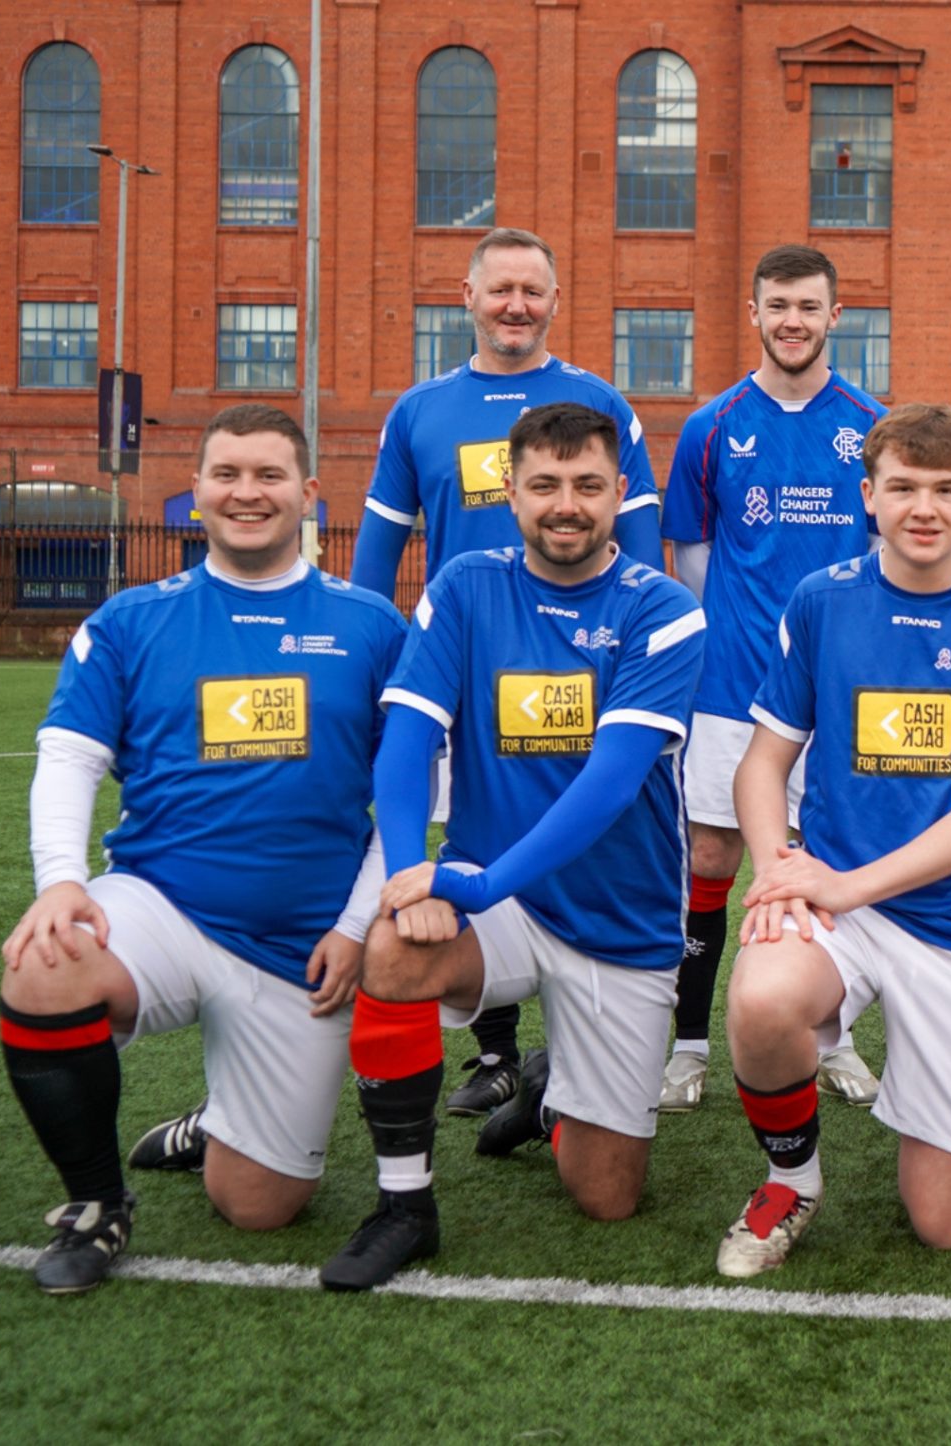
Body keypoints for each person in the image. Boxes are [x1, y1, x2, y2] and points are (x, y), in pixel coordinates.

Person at [0, 405, 407, 1293]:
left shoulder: (373, 625)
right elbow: (69, 756)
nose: (246, 493)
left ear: (307, 495)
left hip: (305, 950)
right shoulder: (132, 619)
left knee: (260, 1206)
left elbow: (417, 802)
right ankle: (97, 1206)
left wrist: (352, 922)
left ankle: (219, 1123)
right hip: (164, 908)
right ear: (196, 493)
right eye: (227, 475)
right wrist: (62, 883)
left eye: (267, 476)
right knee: (45, 965)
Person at [322, 403, 705, 1290]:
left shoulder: (665, 610)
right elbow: (408, 736)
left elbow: (608, 787)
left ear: (618, 494)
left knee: (606, 1197)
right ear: (510, 489)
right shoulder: (464, 585)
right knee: (395, 952)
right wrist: (416, 872)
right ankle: (404, 1204)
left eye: (586, 486)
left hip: (618, 916)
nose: (564, 504)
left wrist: (474, 882)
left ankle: (549, 1099)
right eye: (544, 485)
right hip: (496, 902)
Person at [715, 405, 951, 1274]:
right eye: (903, 487)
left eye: (947, 489)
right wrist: (779, 865)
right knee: (760, 996)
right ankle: (792, 1178)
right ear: (869, 496)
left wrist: (843, 885)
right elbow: (762, 766)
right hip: (840, 906)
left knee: (946, 1225)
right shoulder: (823, 599)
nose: (924, 507)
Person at [345, 227, 660, 1121]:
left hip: (585, 655)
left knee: (577, 814)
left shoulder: (596, 400)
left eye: (533, 290)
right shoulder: (419, 412)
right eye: (500, 290)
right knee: (478, 822)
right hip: (466, 655)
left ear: (556, 301)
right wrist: (377, 661)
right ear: (469, 297)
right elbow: (377, 558)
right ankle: (495, 1055)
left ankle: (574, 1047)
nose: (515, 305)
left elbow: (635, 543)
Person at [663, 244, 887, 1112]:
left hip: (836, 696)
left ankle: (833, 1037)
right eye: (776, 306)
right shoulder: (711, 426)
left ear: (837, 316)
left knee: (830, 858)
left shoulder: (870, 423)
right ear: (752, 315)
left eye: (808, 306)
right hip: (730, 690)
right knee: (712, 856)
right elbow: (694, 565)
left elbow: (881, 562)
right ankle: (687, 1045)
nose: (792, 321)